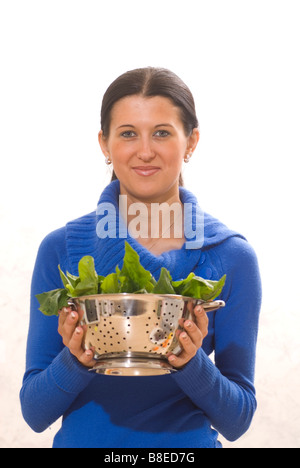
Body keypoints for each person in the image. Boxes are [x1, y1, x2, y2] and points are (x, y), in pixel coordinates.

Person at [20, 67, 262, 448]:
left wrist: (188, 360)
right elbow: (34, 413)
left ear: (191, 141)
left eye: (162, 133)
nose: (145, 150)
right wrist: (77, 359)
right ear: (104, 143)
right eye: (128, 133)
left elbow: (238, 419)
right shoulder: (62, 249)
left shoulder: (230, 256)